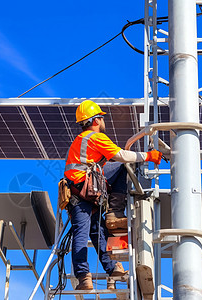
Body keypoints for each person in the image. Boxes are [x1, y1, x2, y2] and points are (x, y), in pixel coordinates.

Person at [64, 100, 162, 290]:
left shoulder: (81, 140)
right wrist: (149, 156)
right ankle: (114, 212)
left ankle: (109, 270)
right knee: (124, 165)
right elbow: (122, 156)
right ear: (95, 120)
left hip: (82, 192)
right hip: (83, 191)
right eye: (101, 117)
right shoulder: (95, 137)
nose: (103, 121)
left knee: (96, 232)